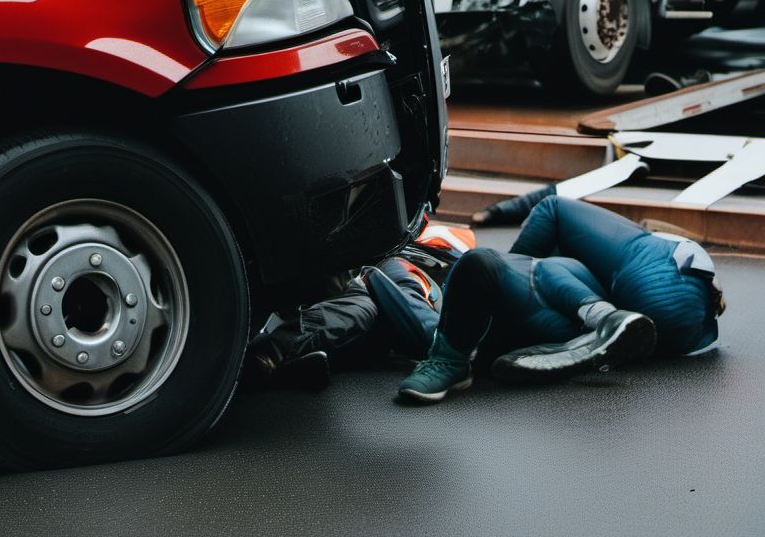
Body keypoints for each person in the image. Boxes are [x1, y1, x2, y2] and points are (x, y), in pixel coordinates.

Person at [399, 196, 724, 403]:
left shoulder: (566, 264)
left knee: (504, 263)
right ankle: (600, 322)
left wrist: (514, 266)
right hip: (687, 330)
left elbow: (551, 207)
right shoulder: (583, 266)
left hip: (654, 286)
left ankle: (601, 317)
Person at [245, 225, 476, 390]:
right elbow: (421, 324)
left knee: (369, 339)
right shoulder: (402, 266)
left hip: (369, 317)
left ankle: (281, 364)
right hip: (360, 286)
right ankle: (269, 350)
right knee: (363, 309)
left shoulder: (424, 279)